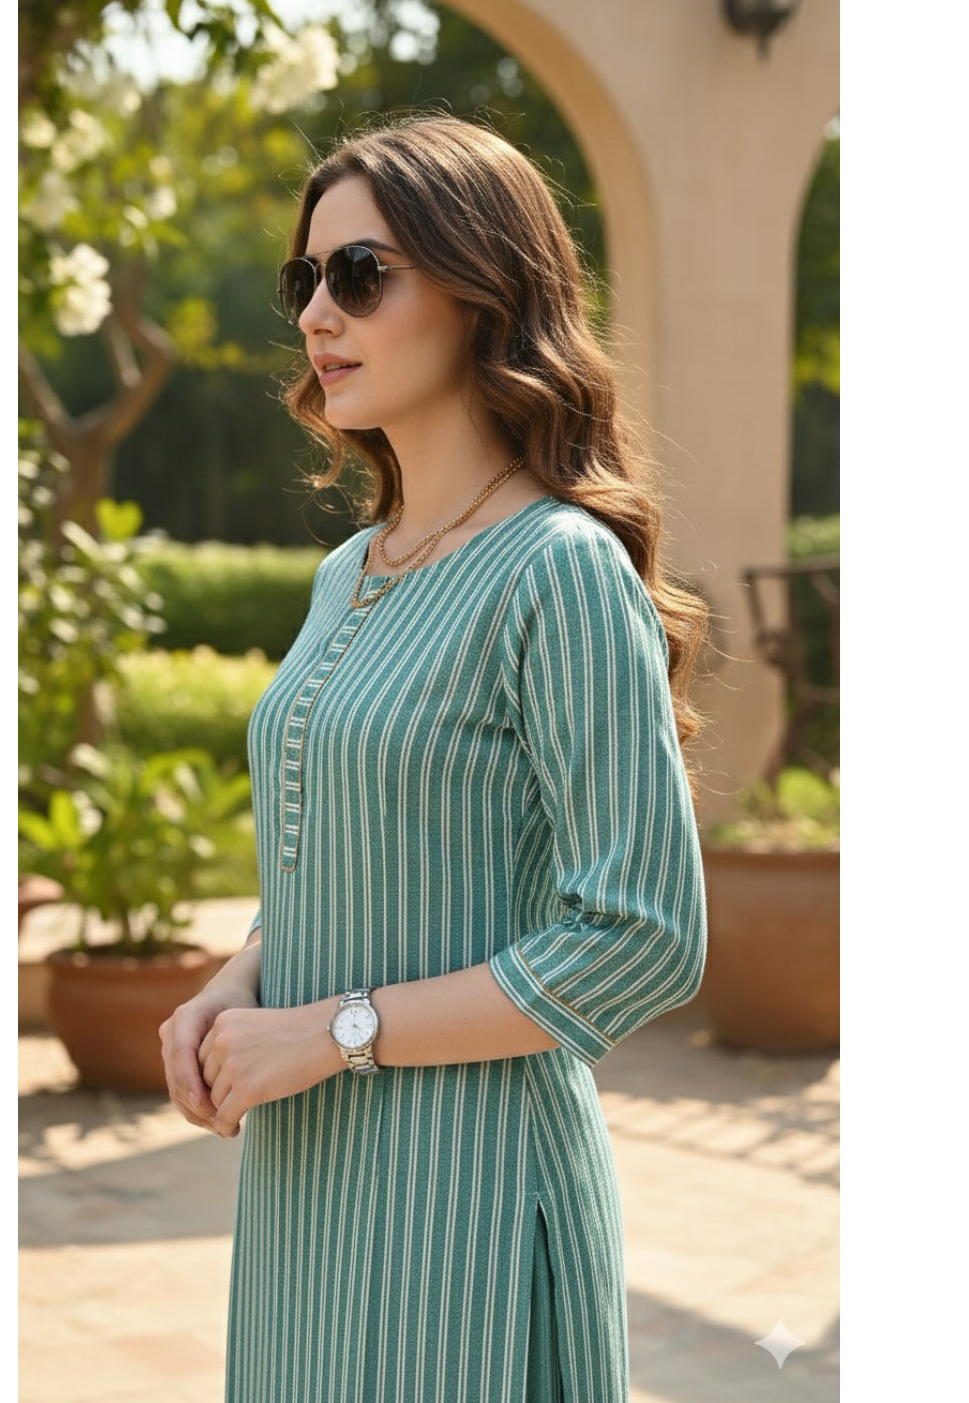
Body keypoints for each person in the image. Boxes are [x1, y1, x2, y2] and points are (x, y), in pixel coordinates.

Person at [160, 113, 709, 1403]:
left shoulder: (558, 569)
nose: (317, 315)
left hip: (467, 1198)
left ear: (481, 292)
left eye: (361, 274)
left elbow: (643, 932)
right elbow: (342, 842)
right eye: (305, 279)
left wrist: (336, 1031)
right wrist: (241, 980)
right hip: (303, 1184)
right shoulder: (351, 571)